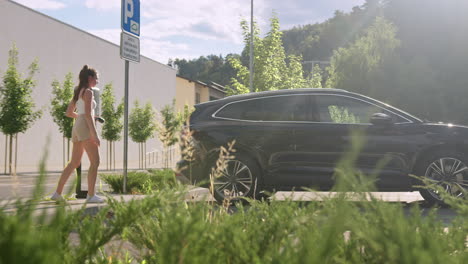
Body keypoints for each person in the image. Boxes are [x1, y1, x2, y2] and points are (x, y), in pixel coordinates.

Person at [50, 65, 103, 203]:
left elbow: (69, 113)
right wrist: (94, 134)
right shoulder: (89, 92)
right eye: (96, 79)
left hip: (77, 127)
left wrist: (80, 118)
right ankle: (91, 195)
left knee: (74, 162)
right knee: (95, 162)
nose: (97, 81)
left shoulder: (78, 91)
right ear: (90, 78)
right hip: (84, 126)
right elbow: (87, 114)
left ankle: (57, 193)